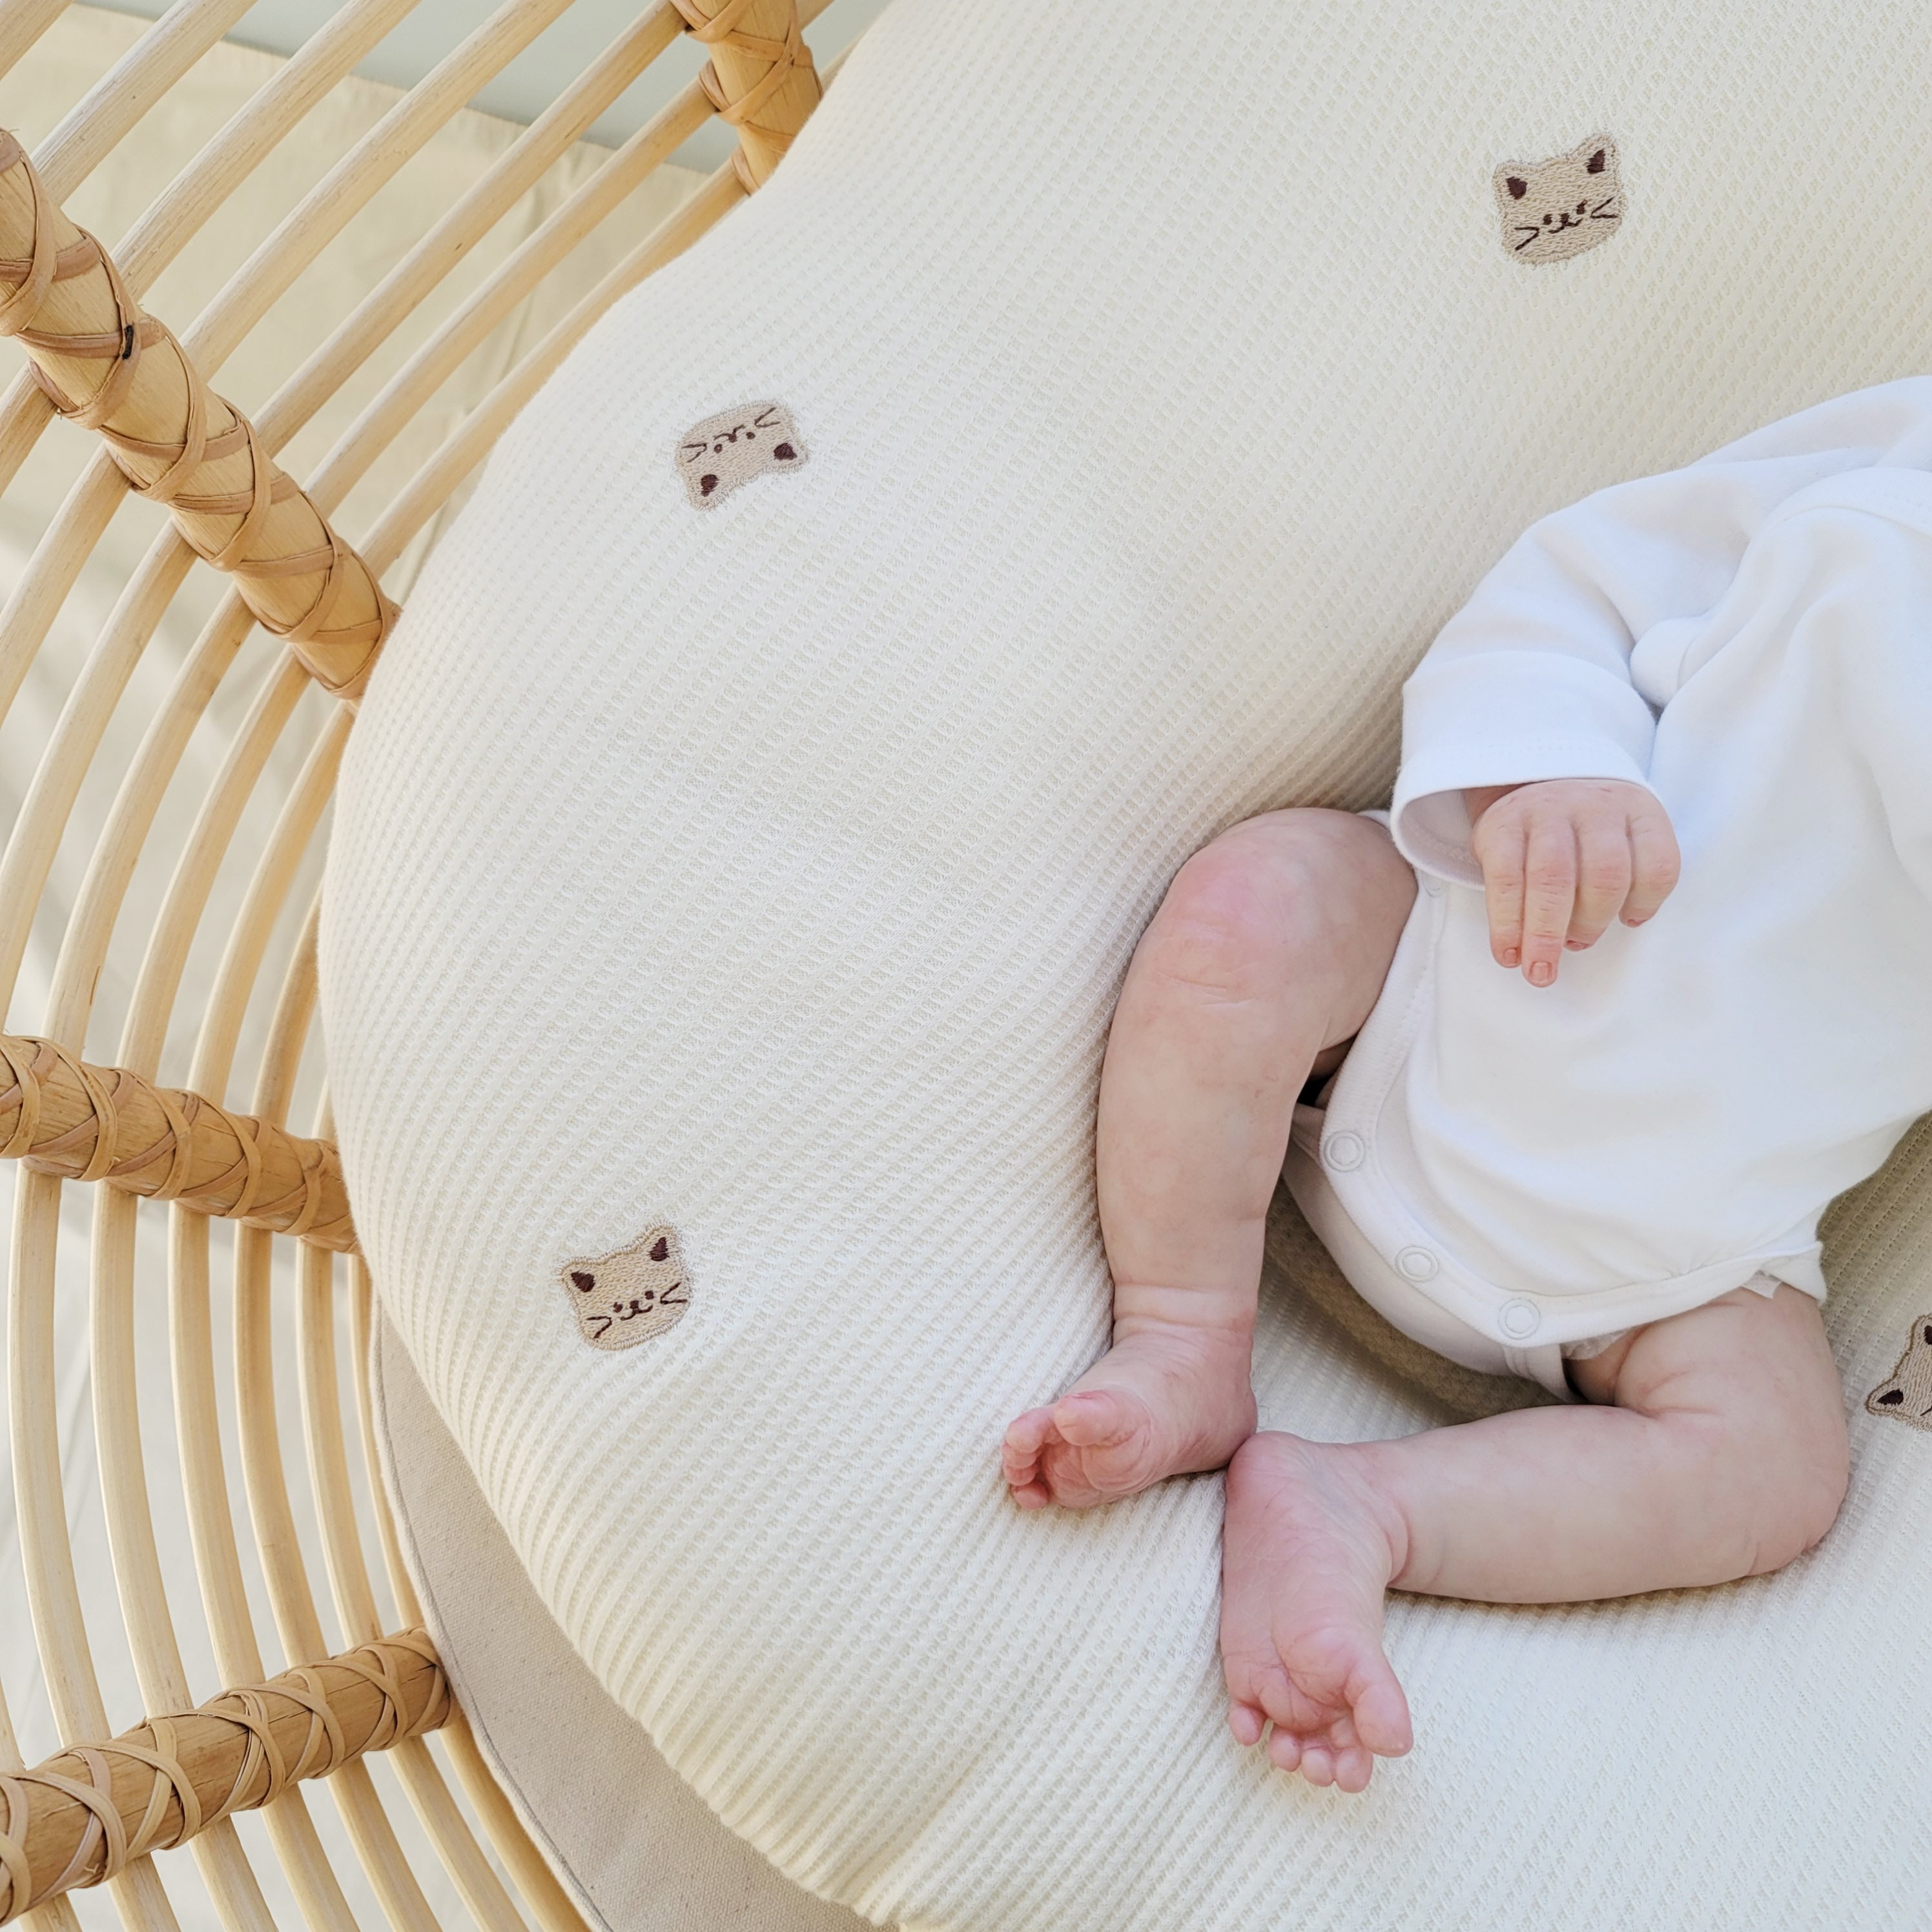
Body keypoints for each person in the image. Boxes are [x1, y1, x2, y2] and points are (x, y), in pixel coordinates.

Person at [1002, 377, 1932, 1793]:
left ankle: (1360, 1507)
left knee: (1778, 1472)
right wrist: (1544, 761)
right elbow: (1591, 580)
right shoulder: (1891, 477)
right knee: (1259, 901)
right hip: (1439, 973)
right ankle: (1183, 1326)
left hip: (1683, 1263)